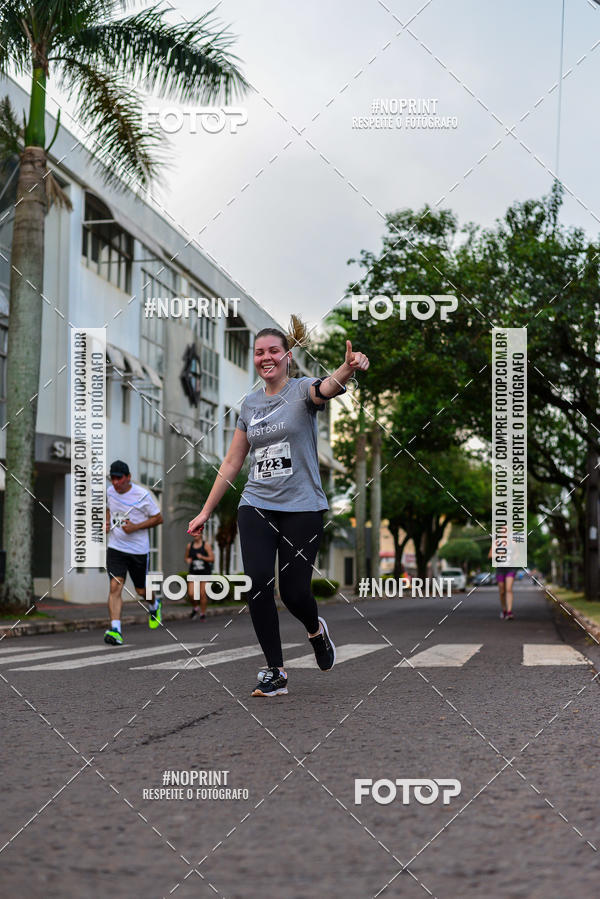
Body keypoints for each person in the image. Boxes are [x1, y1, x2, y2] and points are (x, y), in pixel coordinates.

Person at [188, 316, 369, 696]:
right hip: (256, 503)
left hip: (302, 507)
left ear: (287, 356)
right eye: (259, 353)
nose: (265, 357)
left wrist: (348, 370)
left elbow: (327, 387)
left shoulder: (302, 390)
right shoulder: (250, 405)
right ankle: (275, 671)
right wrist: (205, 511)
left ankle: (316, 630)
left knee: (294, 592)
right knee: (257, 582)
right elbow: (233, 462)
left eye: (273, 351)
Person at [104, 460, 163, 645]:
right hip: (116, 547)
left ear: (128, 477)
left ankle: (154, 604)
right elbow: (108, 509)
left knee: (141, 590)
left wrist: (136, 527)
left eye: (119, 478)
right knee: (115, 586)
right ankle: (116, 630)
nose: (115, 482)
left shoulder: (142, 495)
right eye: (112, 478)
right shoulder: (110, 491)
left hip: (138, 550)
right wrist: (107, 522)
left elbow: (158, 518)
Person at [185, 534, 215, 619]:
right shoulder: (189, 545)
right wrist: (188, 560)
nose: (195, 535)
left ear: (201, 534)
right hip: (193, 573)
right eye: (194, 534)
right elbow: (186, 557)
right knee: (191, 594)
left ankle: (202, 613)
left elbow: (212, 559)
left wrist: (202, 557)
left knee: (202, 594)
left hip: (204, 573)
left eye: (197, 533)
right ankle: (195, 607)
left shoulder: (206, 545)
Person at [488, 538, 516, 620]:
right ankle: (504, 610)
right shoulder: (496, 543)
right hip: (500, 569)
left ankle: (509, 612)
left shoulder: (513, 542)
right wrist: (498, 554)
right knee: (502, 591)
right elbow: (490, 555)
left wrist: (514, 557)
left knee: (509, 589)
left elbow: (517, 553)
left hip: (510, 568)